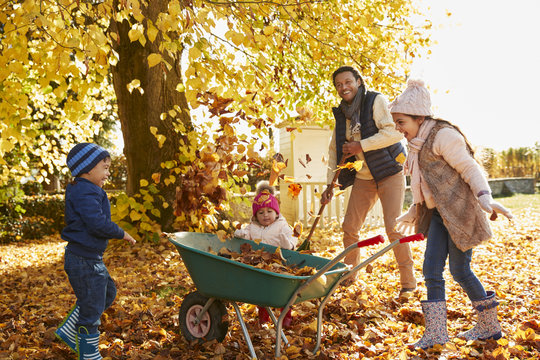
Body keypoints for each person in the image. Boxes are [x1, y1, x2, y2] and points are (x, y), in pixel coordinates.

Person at [389, 79, 513, 349]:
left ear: (419, 117)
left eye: (401, 122)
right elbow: (427, 184)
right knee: (431, 270)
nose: (399, 129)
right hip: (438, 216)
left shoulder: (443, 136)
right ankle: (436, 333)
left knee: (460, 270)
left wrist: (485, 198)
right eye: (396, 123)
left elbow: (470, 169)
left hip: (459, 212)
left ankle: (489, 327)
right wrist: (414, 210)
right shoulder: (417, 144)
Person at [321, 66, 416, 294]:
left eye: (347, 82)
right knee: (350, 226)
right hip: (364, 177)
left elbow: (394, 132)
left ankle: (408, 283)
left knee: (394, 227)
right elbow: (335, 149)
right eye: (338, 85)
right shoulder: (341, 114)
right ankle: (351, 273)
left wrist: (360, 145)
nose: (344, 87)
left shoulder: (375, 100)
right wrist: (329, 185)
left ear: (359, 82)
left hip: (389, 172)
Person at [55, 143, 136, 359]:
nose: (108, 174)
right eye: (105, 168)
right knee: (91, 310)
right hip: (83, 260)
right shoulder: (84, 191)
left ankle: (70, 330)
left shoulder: (88, 189)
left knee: (107, 293)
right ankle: (88, 353)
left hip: (90, 258)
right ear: (88, 168)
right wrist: (121, 233)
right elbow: (96, 222)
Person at [234, 181, 297, 327]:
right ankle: (263, 317)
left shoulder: (282, 225)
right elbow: (246, 234)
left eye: (269, 211)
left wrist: (287, 243)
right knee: (262, 292)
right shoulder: (253, 226)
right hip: (260, 264)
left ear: (276, 212)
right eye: (261, 213)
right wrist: (241, 234)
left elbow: (292, 238)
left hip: (279, 263)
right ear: (256, 215)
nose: (265, 215)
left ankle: (286, 315)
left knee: (284, 291)